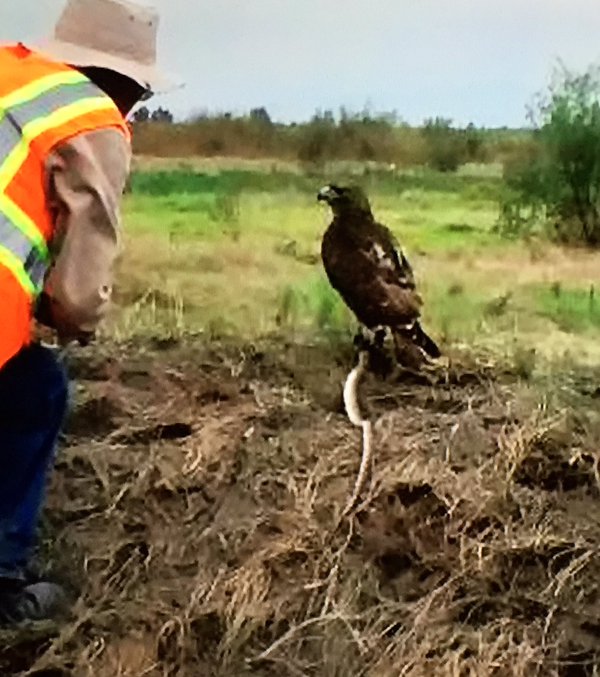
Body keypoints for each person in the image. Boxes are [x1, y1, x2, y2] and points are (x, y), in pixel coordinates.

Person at [0, 0, 175, 624]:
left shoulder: (7, 75)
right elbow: (77, 297)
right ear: (123, 81)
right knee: (35, 393)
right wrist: (66, 319)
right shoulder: (89, 117)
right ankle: (3, 577)